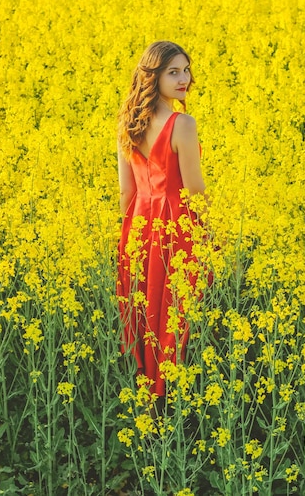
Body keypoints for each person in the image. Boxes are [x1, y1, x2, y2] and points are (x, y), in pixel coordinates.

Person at [116, 40, 207, 398]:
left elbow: (126, 191)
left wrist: (124, 239)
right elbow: (194, 190)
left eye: (186, 70)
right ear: (153, 76)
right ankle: (174, 393)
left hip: (139, 223)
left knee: (146, 307)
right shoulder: (182, 123)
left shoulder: (127, 122)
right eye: (173, 72)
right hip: (175, 222)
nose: (184, 78)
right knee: (176, 309)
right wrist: (214, 234)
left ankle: (147, 394)